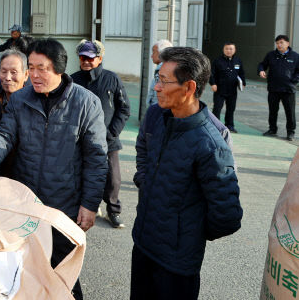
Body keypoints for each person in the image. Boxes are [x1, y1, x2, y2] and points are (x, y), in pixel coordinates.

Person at [0, 38, 107, 300]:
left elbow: (96, 159)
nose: (34, 74)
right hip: (27, 203)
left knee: (62, 272)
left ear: (59, 68)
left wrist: (89, 204)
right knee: (25, 270)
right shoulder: (21, 99)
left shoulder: (86, 103)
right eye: (31, 67)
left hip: (64, 205)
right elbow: (3, 135)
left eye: (41, 68)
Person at [132, 47, 242, 299]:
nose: (156, 87)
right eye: (157, 78)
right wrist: (145, 182)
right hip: (143, 243)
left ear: (190, 87)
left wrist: (187, 232)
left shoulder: (211, 143)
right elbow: (143, 149)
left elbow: (227, 216)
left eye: (164, 81)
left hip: (176, 264)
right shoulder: (157, 116)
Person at [71, 39, 131, 229]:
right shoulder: (72, 80)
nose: (86, 61)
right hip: (80, 140)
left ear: (99, 58)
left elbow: (124, 108)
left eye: (90, 58)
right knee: (81, 175)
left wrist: (112, 133)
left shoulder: (111, 79)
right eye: (82, 57)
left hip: (108, 140)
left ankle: (113, 211)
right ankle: (89, 206)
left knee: (113, 179)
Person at [258, 34, 299, 140]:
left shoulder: (295, 56)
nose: (279, 45)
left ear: (288, 43)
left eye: (281, 42)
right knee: (273, 110)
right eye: (277, 43)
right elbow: (262, 64)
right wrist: (261, 70)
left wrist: (293, 81)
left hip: (288, 89)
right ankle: (272, 129)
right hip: (273, 88)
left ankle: (290, 132)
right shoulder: (271, 55)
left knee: (290, 112)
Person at [209, 42, 245, 133]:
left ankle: (230, 126)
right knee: (217, 108)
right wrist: (213, 84)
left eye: (231, 49)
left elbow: (241, 73)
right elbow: (211, 73)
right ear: (223, 50)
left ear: (234, 50)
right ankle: (215, 126)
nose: (228, 51)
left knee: (231, 108)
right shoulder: (217, 61)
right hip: (220, 89)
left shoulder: (238, 60)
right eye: (226, 49)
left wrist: (243, 83)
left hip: (232, 90)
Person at [147, 39, 173, 106]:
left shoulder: (162, 70)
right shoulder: (165, 68)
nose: (151, 56)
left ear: (161, 53)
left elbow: (157, 97)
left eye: (154, 52)